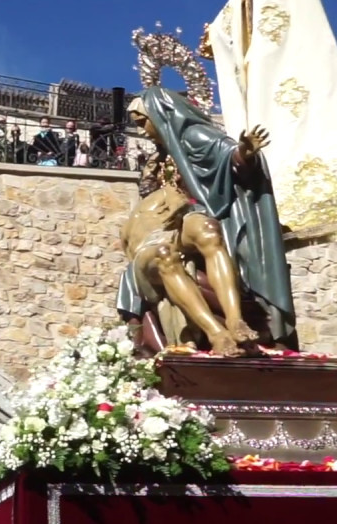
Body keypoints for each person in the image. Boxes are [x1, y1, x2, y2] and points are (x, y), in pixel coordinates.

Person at [119, 85, 297, 352]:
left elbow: (226, 154)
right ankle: (217, 334)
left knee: (207, 230)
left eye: (143, 122)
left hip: (186, 221)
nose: (142, 130)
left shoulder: (192, 136)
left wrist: (244, 153)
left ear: (160, 113)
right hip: (155, 238)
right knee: (164, 253)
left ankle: (236, 320)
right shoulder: (158, 157)